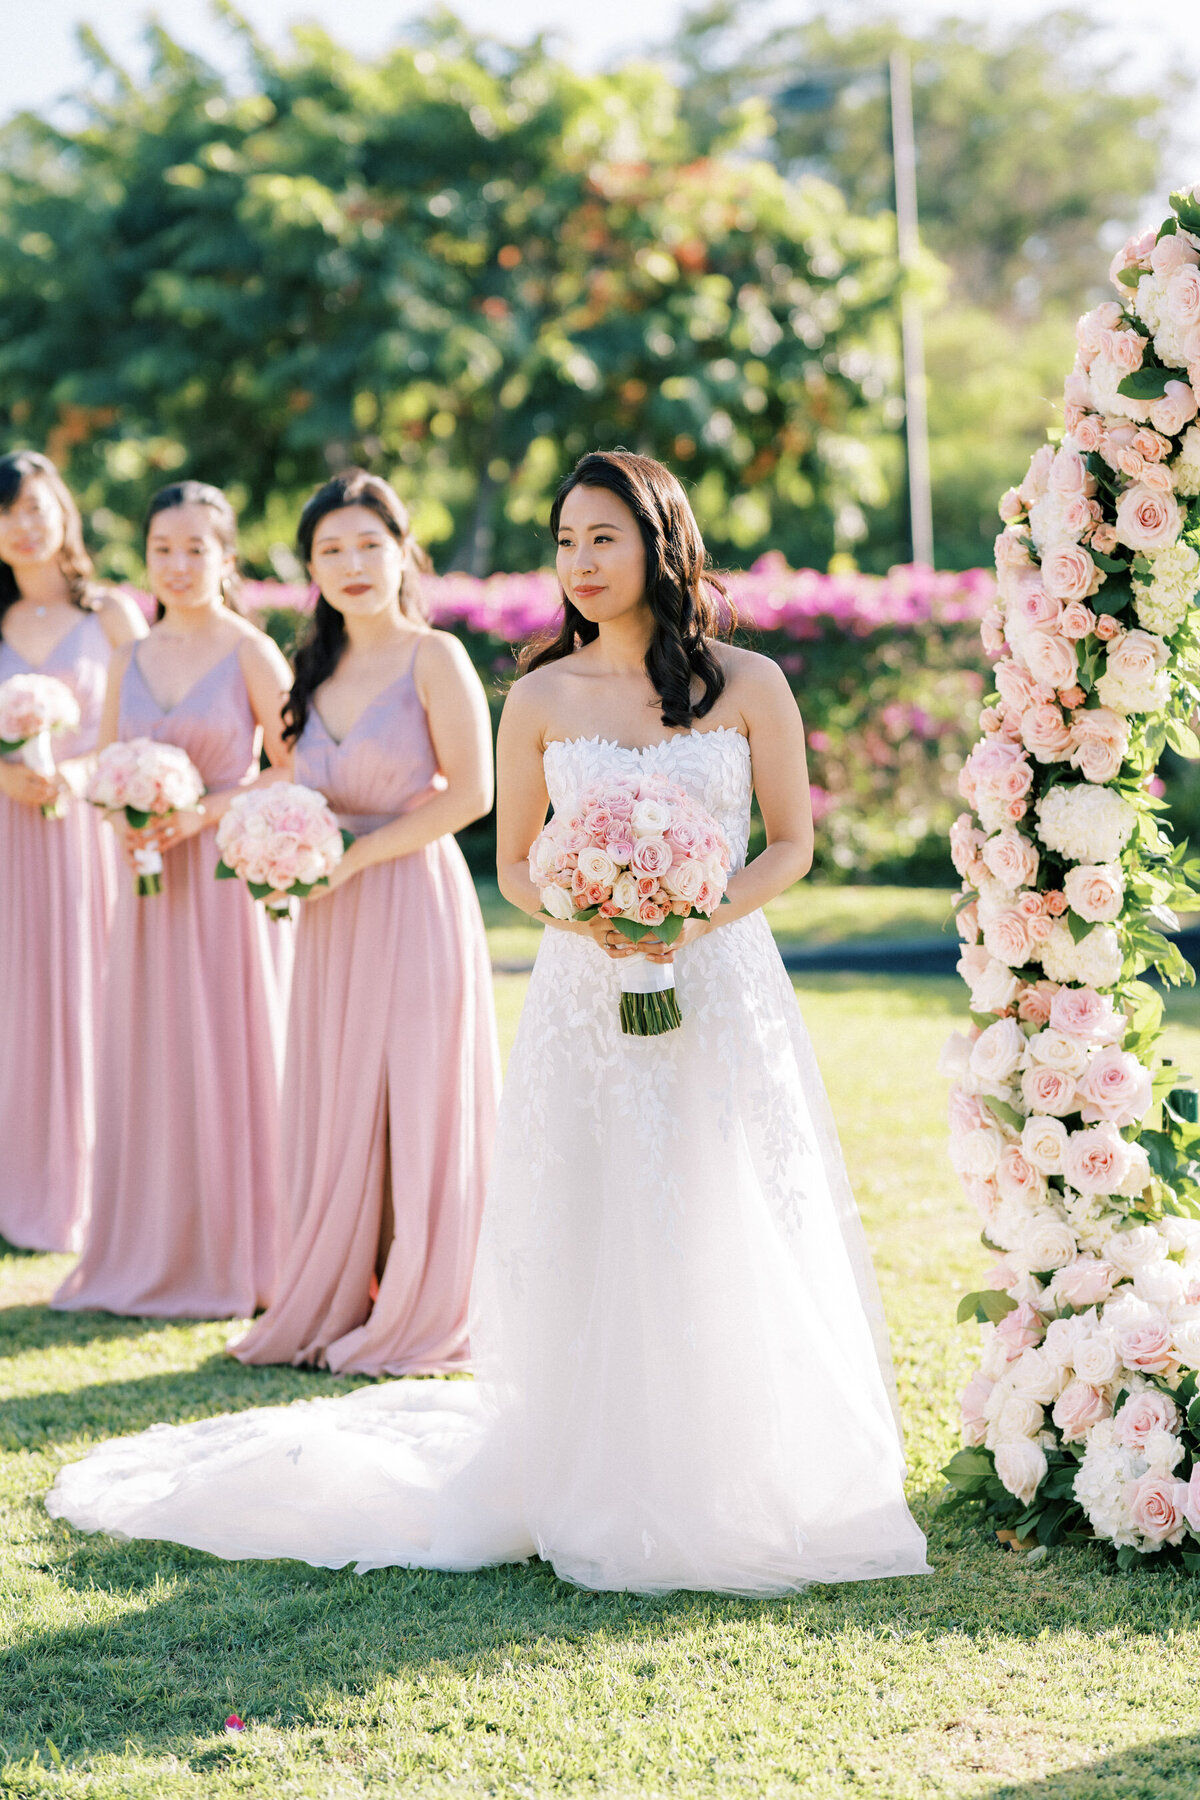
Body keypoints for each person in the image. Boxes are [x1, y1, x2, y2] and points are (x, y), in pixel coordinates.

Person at [47, 451, 929, 1595]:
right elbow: (512, 863)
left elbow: (794, 846)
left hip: (720, 981)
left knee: (725, 1196)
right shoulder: (545, 694)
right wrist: (592, 910)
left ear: (661, 539)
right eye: (565, 541)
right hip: (585, 984)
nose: (581, 562)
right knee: (602, 1202)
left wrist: (696, 916)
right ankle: (594, 1461)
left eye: (603, 537)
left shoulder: (751, 681)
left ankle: (739, 1457)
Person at [230, 469, 499, 1375]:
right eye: (330, 549)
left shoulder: (436, 655)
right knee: (339, 1093)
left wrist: (356, 856)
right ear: (309, 565)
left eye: (367, 545)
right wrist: (258, 835)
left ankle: (422, 1298)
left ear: (403, 552)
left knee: (416, 1092)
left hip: (412, 893)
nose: (350, 564)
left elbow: (472, 792)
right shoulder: (308, 667)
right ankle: (342, 1289)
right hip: (328, 913)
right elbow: (289, 781)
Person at [52, 481, 293, 1318]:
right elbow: (109, 761)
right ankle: (156, 1241)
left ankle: (244, 1246)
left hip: (226, 882)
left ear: (227, 557)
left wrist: (202, 812)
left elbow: (294, 769)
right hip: (150, 886)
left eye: (197, 549)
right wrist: (123, 813)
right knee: (155, 1054)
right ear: (146, 555)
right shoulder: (131, 656)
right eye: (163, 549)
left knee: (231, 1050)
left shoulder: (253, 652)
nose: (179, 565)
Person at [0, 450, 146, 1252]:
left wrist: (75, 773)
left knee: (91, 991)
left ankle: (96, 1182)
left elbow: (143, 733)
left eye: (32, 506)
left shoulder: (114, 616)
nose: (21, 526)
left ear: (61, 511)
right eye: (5, 513)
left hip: (88, 832)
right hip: (6, 833)